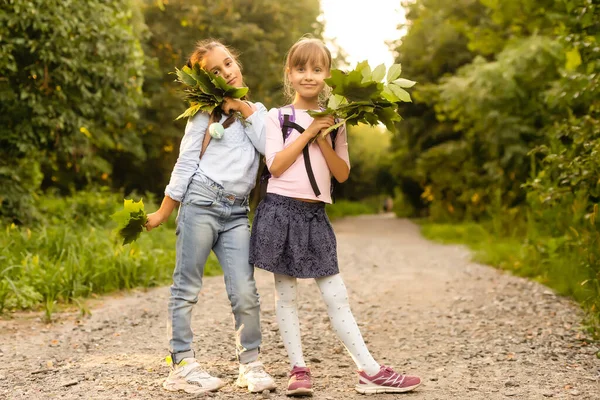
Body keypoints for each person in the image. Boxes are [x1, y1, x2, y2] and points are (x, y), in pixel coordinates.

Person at [249, 37, 422, 396]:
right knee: (286, 295)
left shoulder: (338, 120)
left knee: (335, 295)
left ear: (328, 75)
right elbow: (277, 166)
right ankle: (298, 370)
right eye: (301, 68)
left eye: (316, 69)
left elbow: (341, 175)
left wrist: (324, 137)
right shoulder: (275, 117)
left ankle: (368, 371)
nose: (308, 76)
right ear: (289, 73)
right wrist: (309, 131)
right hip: (280, 211)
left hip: (315, 217)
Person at [145, 39, 276, 395]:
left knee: (245, 290)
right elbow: (186, 163)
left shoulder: (258, 112)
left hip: (236, 212)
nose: (226, 72)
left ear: (237, 62)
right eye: (215, 72)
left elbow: (271, 151)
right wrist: (163, 211)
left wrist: (243, 108)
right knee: (186, 287)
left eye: (228, 63)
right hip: (200, 202)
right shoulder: (202, 116)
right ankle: (182, 365)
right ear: (206, 83)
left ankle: (250, 363)